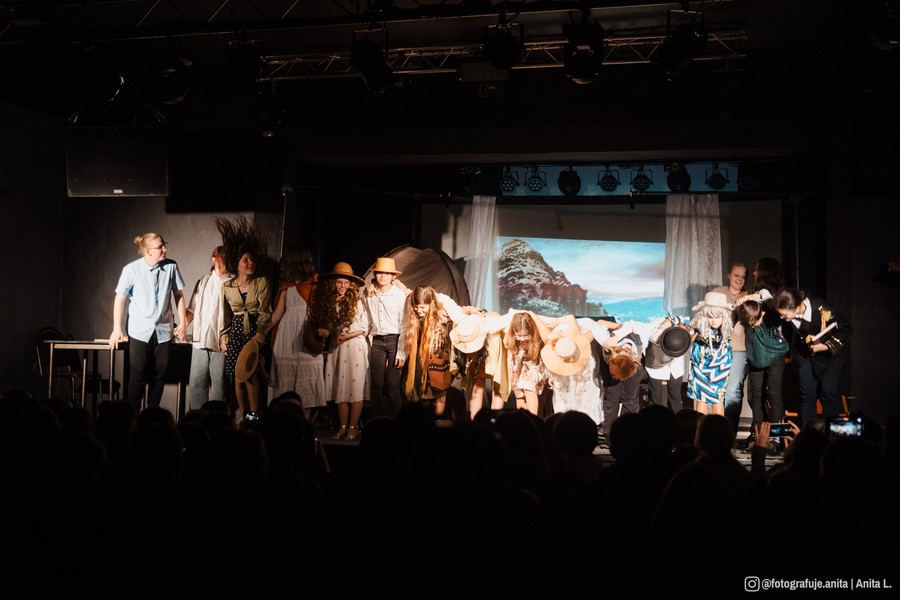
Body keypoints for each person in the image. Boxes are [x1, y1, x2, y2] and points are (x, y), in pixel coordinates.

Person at [109, 232, 186, 412]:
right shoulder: (131, 269)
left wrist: (183, 323)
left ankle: (152, 415)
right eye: (160, 247)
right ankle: (132, 415)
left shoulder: (171, 266)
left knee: (160, 374)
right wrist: (116, 328)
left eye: (164, 245)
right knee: (138, 374)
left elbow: (179, 295)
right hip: (139, 329)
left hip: (164, 329)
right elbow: (120, 298)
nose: (165, 249)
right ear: (148, 251)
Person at [216, 216, 272, 424]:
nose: (250, 264)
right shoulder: (227, 286)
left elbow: (266, 310)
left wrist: (260, 333)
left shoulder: (261, 282)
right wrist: (223, 338)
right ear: (237, 264)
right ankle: (243, 415)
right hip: (237, 331)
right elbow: (226, 316)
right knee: (238, 378)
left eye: (251, 260)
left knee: (251, 375)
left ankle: (254, 416)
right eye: (245, 260)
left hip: (255, 332)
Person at [773, 287, 852, 428]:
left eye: (784, 315)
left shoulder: (823, 309)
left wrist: (826, 346)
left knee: (828, 394)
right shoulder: (789, 315)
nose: (781, 318)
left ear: (797, 307)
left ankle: (829, 435)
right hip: (806, 356)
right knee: (807, 396)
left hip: (831, 358)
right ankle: (808, 434)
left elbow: (847, 330)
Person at [310, 262, 370, 441]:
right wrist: (327, 332)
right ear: (333, 283)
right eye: (339, 282)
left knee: (355, 387)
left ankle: (353, 427)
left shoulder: (357, 301)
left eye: (346, 283)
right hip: (338, 347)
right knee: (341, 387)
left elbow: (365, 326)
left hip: (354, 347)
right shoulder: (330, 302)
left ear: (351, 285)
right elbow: (332, 327)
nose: (342, 286)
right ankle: (342, 426)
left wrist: (347, 336)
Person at [267, 244, 325, 417]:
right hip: (287, 336)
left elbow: (323, 310)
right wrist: (260, 333)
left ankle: (304, 421)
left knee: (306, 381)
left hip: (306, 334)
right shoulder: (287, 286)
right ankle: (286, 419)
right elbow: (277, 314)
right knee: (287, 378)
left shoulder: (315, 283)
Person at [399, 284, 469, 417]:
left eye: (423, 307)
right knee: (419, 396)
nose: (419, 310)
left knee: (439, 393)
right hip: (418, 357)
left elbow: (459, 315)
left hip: (437, 355)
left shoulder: (442, 310)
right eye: (416, 307)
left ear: (431, 304)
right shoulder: (411, 310)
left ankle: (437, 423)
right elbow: (400, 287)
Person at [185, 245, 233, 411]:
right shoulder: (203, 281)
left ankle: (218, 418)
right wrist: (183, 325)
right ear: (214, 259)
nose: (225, 261)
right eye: (222, 257)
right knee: (197, 383)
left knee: (220, 384)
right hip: (200, 339)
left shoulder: (233, 282)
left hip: (220, 341)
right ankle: (198, 417)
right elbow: (192, 309)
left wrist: (229, 338)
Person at [363, 257, 407, 420]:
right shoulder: (369, 293)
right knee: (376, 386)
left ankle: (397, 423)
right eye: (380, 272)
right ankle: (377, 423)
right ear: (375, 274)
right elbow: (366, 318)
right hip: (377, 341)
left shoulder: (398, 295)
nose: (383, 276)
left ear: (393, 276)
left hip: (394, 340)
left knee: (392, 386)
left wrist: (401, 351)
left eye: (387, 273)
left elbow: (404, 324)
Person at [450, 311, 508, 420]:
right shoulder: (464, 326)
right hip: (479, 353)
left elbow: (511, 316)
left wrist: (495, 314)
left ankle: (495, 422)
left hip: (494, 348)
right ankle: (473, 422)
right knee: (477, 386)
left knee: (496, 387)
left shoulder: (494, 327)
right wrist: (471, 309)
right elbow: (449, 305)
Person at [713, 262, 749, 433]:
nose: (740, 279)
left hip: (740, 349)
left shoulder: (749, 296)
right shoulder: (717, 293)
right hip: (718, 348)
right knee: (716, 389)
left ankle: (729, 432)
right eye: (736, 275)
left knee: (733, 389)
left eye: (743, 277)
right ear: (729, 276)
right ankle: (715, 429)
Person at [686, 291, 734, 416]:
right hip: (700, 365)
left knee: (718, 398)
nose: (714, 321)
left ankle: (718, 429)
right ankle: (700, 427)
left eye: (717, 317)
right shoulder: (698, 325)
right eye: (710, 317)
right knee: (701, 398)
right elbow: (675, 320)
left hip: (720, 366)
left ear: (724, 316)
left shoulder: (726, 328)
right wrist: (691, 328)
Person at [599, 318, 644, 441]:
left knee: (629, 400)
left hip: (633, 367)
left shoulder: (637, 333)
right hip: (612, 365)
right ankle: (610, 436)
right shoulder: (610, 339)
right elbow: (600, 323)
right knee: (612, 399)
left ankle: (628, 433)